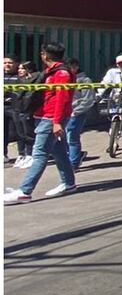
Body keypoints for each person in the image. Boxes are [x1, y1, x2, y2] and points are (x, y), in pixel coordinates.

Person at [3, 42, 77, 204]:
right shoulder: (51, 72)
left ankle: (25, 191)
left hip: (51, 118)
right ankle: (69, 183)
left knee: (40, 153)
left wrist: (56, 122)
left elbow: (62, 100)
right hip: (43, 116)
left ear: (45, 55)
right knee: (57, 151)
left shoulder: (62, 73)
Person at [65, 58, 96, 170]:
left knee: (72, 137)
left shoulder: (84, 80)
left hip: (76, 113)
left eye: (72, 67)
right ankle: (77, 155)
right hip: (64, 112)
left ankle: (73, 164)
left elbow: (88, 99)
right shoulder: (65, 79)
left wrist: (76, 111)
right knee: (63, 138)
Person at [11, 61, 39, 168]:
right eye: (19, 69)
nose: (19, 71)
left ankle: (31, 155)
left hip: (27, 110)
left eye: (22, 68)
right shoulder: (19, 80)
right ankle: (23, 154)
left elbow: (30, 96)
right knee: (21, 134)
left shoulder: (34, 78)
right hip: (17, 109)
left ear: (29, 69)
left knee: (29, 134)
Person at [4, 56, 21, 164]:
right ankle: (3, 153)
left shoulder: (19, 76)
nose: (7, 65)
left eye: (10, 62)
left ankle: (22, 154)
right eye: (5, 63)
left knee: (19, 132)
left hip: (15, 107)